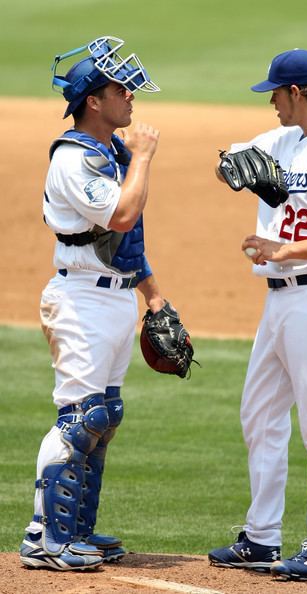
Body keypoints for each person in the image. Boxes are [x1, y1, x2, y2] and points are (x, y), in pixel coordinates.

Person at [208, 48, 307, 581]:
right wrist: (235, 169)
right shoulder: (282, 140)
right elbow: (229, 160)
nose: (271, 103)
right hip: (280, 303)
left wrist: (284, 249)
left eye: (275, 94)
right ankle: (261, 537)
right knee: (259, 416)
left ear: (296, 93)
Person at [20, 36, 165, 571]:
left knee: (106, 415)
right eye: (117, 88)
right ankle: (44, 536)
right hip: (79, 299)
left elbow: (125, 241)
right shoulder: (74, 160)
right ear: (93, 102)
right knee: (81, 415)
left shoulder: (108, 152)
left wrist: (154, 295)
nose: (129, 96)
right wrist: (144, 157)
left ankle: (75, 528)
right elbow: (123, 215)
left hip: (114, 297)